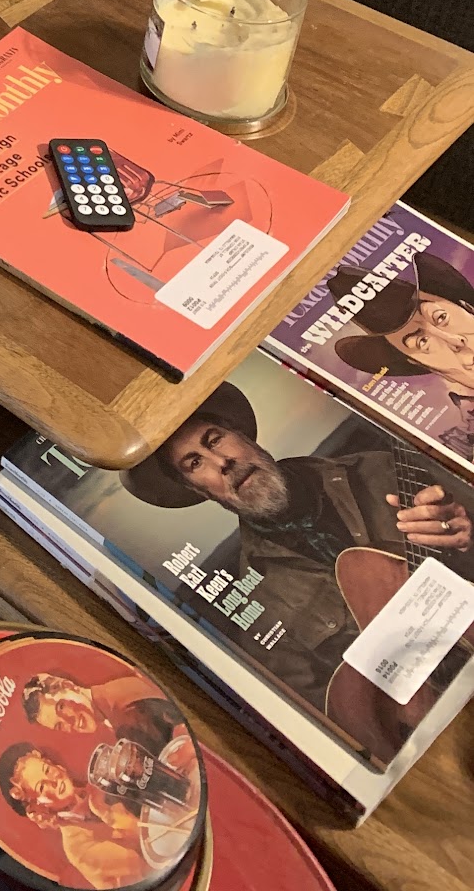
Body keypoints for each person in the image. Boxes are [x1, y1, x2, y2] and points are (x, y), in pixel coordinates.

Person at [122, 381, 473, 714]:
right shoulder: (258, 606)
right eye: (195, 463)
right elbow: (340, 717)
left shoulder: (380, 467)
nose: (222, 463)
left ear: (243, 436)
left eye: (215, 440)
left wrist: (465, 531)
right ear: (198, 490)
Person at [329, 248, 474, 460]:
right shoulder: (464, 443)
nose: (456, 341)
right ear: (418, 363)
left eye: (441, 317)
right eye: (422, 341)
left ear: (468, 307)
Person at [0, 742, 151, 889]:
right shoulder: (78, 848)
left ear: (57, 766)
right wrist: (106, 812)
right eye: (42, 787)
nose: (53, 781)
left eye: (47, 770)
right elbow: (146, 867)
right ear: (37, 810)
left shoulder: (96, 784)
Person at [20, 669, 184, 761]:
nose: (70, 721)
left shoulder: (124, 714)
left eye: (61, 708)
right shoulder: (110, 712)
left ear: (69, 686)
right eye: (59, 725)